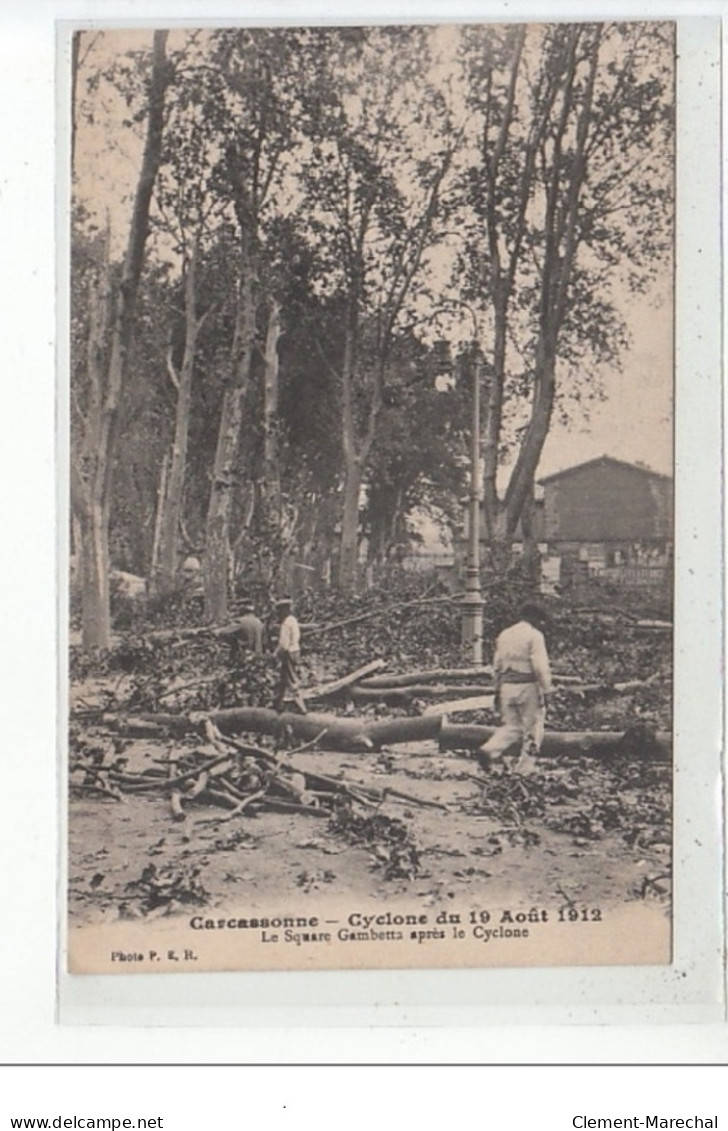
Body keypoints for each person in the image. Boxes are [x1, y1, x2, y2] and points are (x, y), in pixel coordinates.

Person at [477, 601, 552, 776]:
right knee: (533, 730)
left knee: (512, 726)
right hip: (528, 686)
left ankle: (489, 749)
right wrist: (546, 690)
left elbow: (497, 665)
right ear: (534, 618)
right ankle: (524, 771)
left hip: (507, 686)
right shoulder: (534, 635)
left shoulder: (505, 634)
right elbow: (540, 666)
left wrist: (497, 689)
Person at [274, 596, 307, 714]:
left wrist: (275, 654)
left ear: (285, 609)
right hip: (295, 651)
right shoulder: (293, 620)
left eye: (280, 610)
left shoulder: (286, 623)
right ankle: (278, 704)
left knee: (291, 680)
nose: (278, 613)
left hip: (288, 653)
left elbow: (283, 644)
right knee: (283, 679)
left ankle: (302, 708)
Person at [230, 596, 264, 661]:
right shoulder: (258, 621)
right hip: (257, 656)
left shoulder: (241, 621)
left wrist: (214, 632)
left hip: (244, 657)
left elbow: (224, 631)